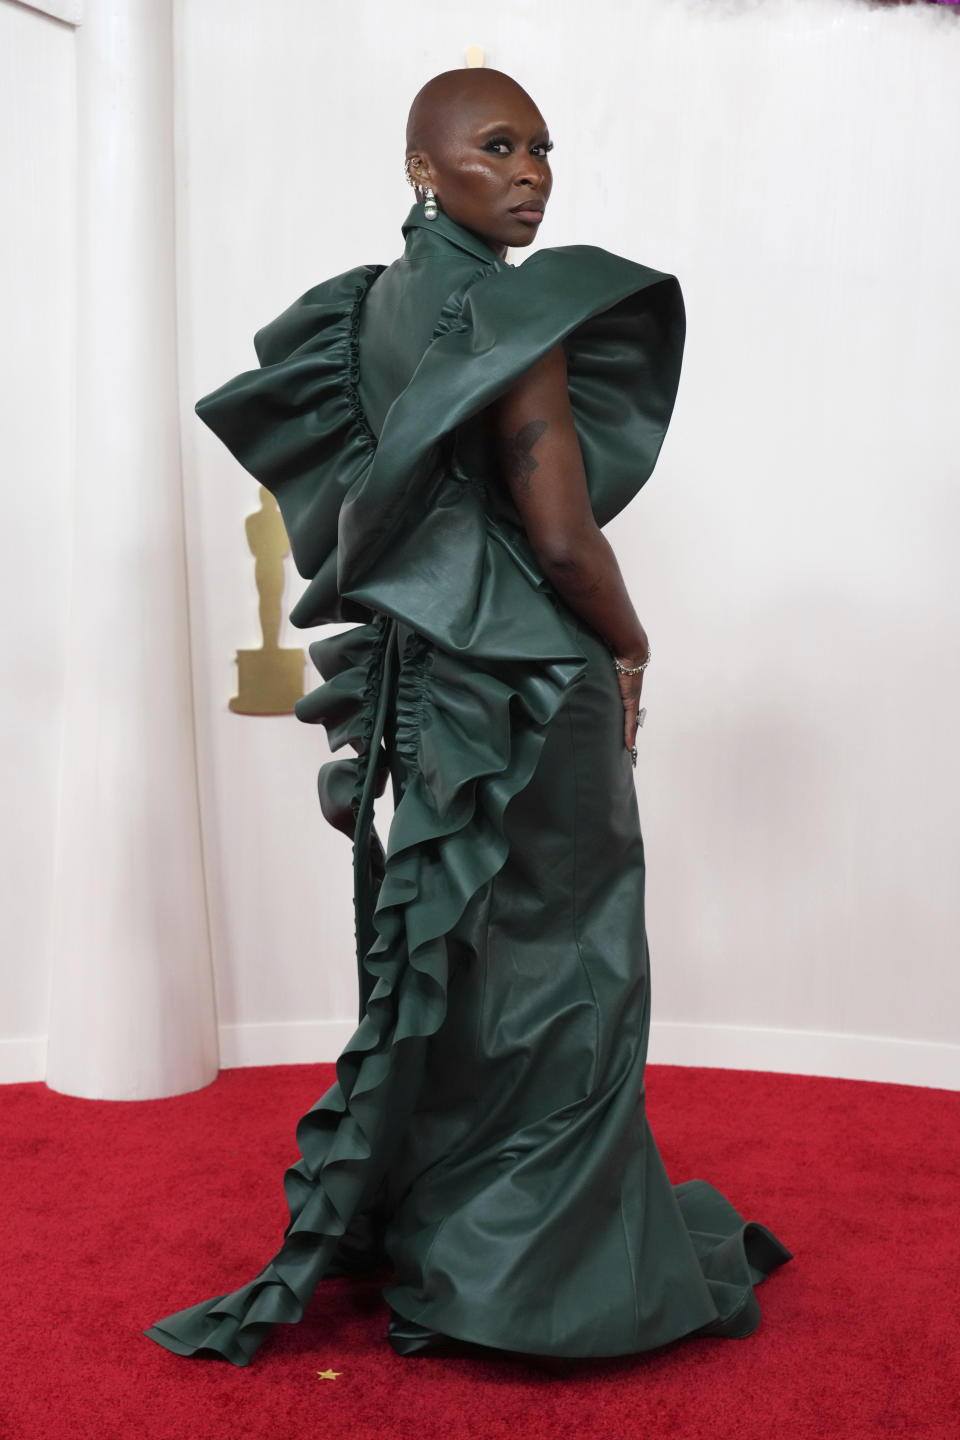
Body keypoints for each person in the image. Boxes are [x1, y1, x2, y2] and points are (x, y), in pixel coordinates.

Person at [143, 67, 792, 1367]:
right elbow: (557, 530)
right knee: (579, 967)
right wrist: (632, 636)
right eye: (499, 146)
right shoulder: (509, 312)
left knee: (487, 963)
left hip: (434, 680)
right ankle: (538, 1280)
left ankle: (459, 1233)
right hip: (536, 686)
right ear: (424, 167)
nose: (533, 171)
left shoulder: (364, 317)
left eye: (543, 149)